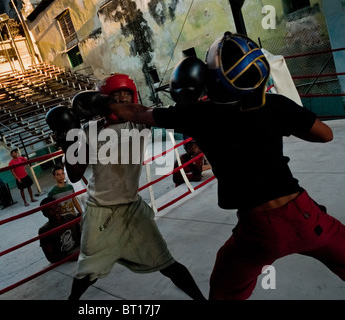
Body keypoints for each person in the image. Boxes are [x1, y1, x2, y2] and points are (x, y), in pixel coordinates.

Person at [90, 32, 345, 300]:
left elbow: (138, 113)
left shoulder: (198, 115)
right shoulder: (274, 105)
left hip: (258, 230)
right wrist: (284, 122)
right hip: (305, 215)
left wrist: (106, 102)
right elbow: (325, 134)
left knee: (224, 291)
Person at [47, 73, 205, 300]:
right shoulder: (91, 131)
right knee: (87, 273)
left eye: (126, 94)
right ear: (103, 100)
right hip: (100, 210)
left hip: (132, 209)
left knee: (166, 262)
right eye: (115, 95)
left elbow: (157, 114)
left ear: (134, 96)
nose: (121, 99)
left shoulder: (140, 122)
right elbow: (74, 174)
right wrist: (69, 137)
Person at [38, 197, 81, 263]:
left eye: (55, 207)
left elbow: (83, 238)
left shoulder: (70, 218)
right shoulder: (44, 230)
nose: (55, 211)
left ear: (59, 206)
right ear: (45, 214)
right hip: (65, 261)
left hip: (79, 253)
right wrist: (72, 257)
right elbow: (51, 258)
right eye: (50, 210)